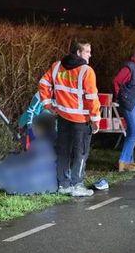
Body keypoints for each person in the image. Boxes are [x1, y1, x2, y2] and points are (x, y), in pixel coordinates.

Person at [38, 39, 101, 197]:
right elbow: (92, 98)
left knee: (63, 152)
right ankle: (77, 185)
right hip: (81, 120)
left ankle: (63, 185)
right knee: (81, 153)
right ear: (78, 52)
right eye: (87, 51)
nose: (90, 55)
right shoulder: (87, 71)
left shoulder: (57, 66)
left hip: (63, 117)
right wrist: (95, 120)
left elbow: (43, 83)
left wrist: (47, 104)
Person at [0, 113, 58, 195]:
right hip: (50, 180)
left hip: (35, 177)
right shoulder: (52, 142)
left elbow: (31, 162)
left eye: (34, 127)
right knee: (15, 157)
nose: (32, 129)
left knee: (11, 163)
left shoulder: (39, 143)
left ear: (40, 129)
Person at [112, 44, 135, 172]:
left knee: (132, 133)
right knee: (134, 133)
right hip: (131, 103)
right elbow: (117, 81)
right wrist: (120, 97)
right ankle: (123, 162)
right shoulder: (130, 68)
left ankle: (129, 160)